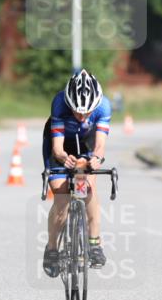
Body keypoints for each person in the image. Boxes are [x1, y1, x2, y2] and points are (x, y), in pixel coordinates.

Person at [41, 70, 111, 277]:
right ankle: (52, 249)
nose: (81, 117)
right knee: (61, 197)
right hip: (62, 144)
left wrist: (95, 160)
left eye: (87, 113)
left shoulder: (104, 106)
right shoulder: (60, 104)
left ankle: (94, 243)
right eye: (77, 112)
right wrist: (64, 159)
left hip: (87, 143)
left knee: (88, 187)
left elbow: (99, 146)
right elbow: (58, 148)